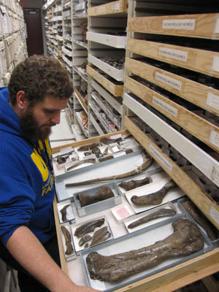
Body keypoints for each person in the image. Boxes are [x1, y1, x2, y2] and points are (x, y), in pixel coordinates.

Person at [0, 55, 96, 292]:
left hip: (47, 216)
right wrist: (62, 285)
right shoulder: (4, 149)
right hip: (32, 240)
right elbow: (11, 227)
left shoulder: (20, 114)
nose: (57, 120)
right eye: (50, 111)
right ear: (22, 99)